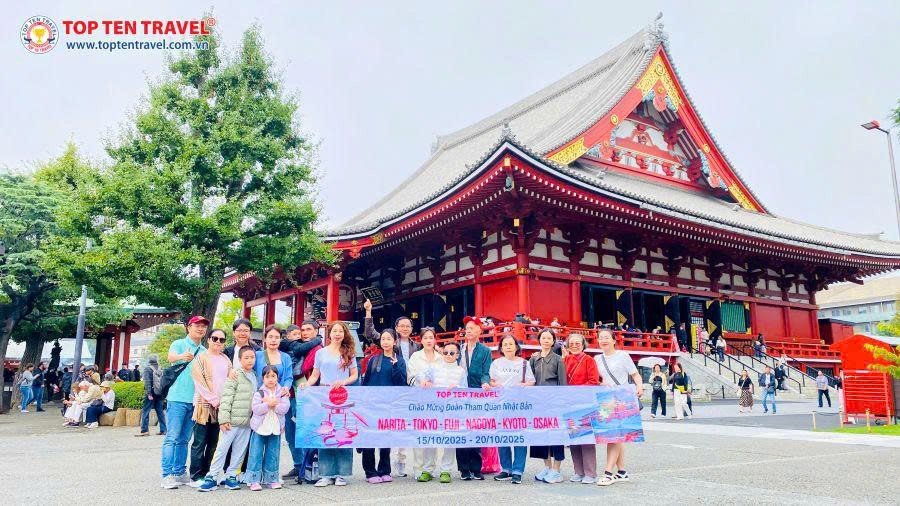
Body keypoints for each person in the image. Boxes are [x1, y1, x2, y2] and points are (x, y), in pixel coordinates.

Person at [303, 321, 359, 487]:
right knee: (326, 433)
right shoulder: (321, 353)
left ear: (344, 334)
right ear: (329, 333)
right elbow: (315, 375)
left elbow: (354, 375)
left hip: (342, 395)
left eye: (340, 331)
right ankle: (326, 474)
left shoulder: (349, 352)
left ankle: (342, 474)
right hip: (324, 395)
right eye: (334, 331)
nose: (337, 334)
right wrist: (307, 385)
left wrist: (343, 382)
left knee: (343, 433)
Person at [199, 346, 258, 492]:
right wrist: (224, 419)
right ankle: (212, 476)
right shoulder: (235, 375)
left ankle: (231, 476)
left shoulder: (255, 376)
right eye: (246, 357)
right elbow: (226, 398)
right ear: (239, 360)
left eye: (252, 357)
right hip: (231, 422)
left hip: (246, 422)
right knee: (221, 449)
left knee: (240, 451)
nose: (250, 360)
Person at [161, 315, 209, 490]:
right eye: (197, 325)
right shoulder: (179, 343)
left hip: (194, 400)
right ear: (189, 327)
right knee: (172, 437)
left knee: (184, 439)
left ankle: (180, 472)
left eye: (203, 326)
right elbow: (170, 357)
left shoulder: (204, 350)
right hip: (177, 398)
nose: (200, 329)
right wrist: (183, 356)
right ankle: (166, 475)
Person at [594, 329, 644, 486]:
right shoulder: (597, 358)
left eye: (607, 337)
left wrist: (639, 386)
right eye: (601, 338)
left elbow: (635, 374)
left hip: (622, 398)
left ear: (614, 340)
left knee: (614, 436)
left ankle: (608, 473)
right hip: (606, 400)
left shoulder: (623, 355)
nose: (604, 340)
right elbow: (596, 379)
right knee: (617, 436)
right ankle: (622, 472)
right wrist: (601, 383)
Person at [414, 339, 465, 483]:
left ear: (457, 355)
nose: (448, 355)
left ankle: (445, 470)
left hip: (452, 410)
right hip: (434, 409)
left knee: (449, 440)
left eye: (452, 353)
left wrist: (457, 388)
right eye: (446, 352)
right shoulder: (434, 367)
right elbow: (419, 376)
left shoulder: (461, 371)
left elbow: (466, 390)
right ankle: (428, 470)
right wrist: (424, 381)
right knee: (431, 438)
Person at [361, 328, 408, 483]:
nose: (385, 342)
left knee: (386, 438)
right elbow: (366, 382)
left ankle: (384, 470)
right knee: (370, 437)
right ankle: (370, 472)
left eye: (389, 339)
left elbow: (401, 384)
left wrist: (395, 367)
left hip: (389, 405)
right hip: (371, 404)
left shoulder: (400, 361)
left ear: (395, 341)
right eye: (383, 339)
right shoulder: (373, 360)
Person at [188, 328, 233, 487]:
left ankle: (209, 474)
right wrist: (214, 400)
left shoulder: (226, 360)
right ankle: (195, 476)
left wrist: (225, 402)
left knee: (215, 443)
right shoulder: (200, 358)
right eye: (215, 338)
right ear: (208, 340)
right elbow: (199, 383)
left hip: (222, 407)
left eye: (222, 340)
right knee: (200, 442)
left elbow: (231, 380)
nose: (218, 342)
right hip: (204, 406)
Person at [279, 319, 323, 484]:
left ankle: (307, 467)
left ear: (316, 331)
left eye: (308, 329)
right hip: (291, 393)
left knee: (304, 432)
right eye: (302, 330)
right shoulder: (294, 345)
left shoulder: (318, 349)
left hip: (308, 395)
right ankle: (298, 465)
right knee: (291, 433)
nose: (304, 333)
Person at [489, 335, 535, 484]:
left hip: (519, 405)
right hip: (501, 403)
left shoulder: (524, 363)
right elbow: (491, 380)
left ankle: (517, 470)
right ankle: (506, 469)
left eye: (511, 344)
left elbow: (531, 381)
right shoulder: (496, 363)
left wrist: (522, 386)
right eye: (505, 344)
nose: (508, 346)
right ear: (501, 348)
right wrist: (495, 385)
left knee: (519, 436)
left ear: (516, 347)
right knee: (502, 435)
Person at [456, 316, 492, 481]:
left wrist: (485, 382)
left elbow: (486, 371)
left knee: (476, 429)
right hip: (461, 394)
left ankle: (476, 468)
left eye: (472, 328)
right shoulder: (459, 349)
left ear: (479, 330)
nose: (468, 331)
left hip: (477, 393)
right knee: (461, 430)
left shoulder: (485, 351)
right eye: (467, 328)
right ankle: (464, 469)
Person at [529, 328, 566, 483]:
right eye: (543, 338)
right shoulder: (533, 359)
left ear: (553, 341)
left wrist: (561, 402)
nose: (546, 340)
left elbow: (562, 383)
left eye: (549, 338)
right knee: (542, 436)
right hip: (538, 403)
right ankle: (547, 467)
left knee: (556, 436)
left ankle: (557, 470)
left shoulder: (558, 360)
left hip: (554, 402)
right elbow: (530, 381)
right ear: (539, 340)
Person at [406, 327, 442, 482]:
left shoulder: (441, 357)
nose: (428, 340)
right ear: (421, 340)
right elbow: (410, 377)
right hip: (419, 400)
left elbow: (445, 376)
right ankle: (419, 468)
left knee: (432, 434)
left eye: (431, 337)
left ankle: (430, 468)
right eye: (425, 338)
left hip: (436, 401)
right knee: (420, 434)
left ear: (435, 340)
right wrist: (421, 382)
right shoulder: (415, 357)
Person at [246, 365, 290, 491]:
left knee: (273, 454)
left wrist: (273, 404)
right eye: (267, 377)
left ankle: (271, 479)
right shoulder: (259, 393)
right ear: (263, 379)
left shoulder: (282, 393)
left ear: (277, 378)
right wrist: (267, 404)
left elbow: (285, 408)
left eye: (273, 376)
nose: (270, 379)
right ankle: (254, 480)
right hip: (260, 428)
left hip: (275, 428)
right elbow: (256, 409)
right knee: (256, 453)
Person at [564, 333, 600, 484]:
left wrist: (575, 391)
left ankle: (590, 473)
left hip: (584, 403)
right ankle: (578, 471)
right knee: (574, 438)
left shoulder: (589, 360)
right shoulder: (565, 360)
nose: (574, 345)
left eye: (577, 343)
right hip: (569, 403)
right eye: (571, 343)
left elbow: (594, 381)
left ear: (583, 344)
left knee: (586, 438)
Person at [137, 354, 167, 437]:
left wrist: (149, 394)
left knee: (146, 411)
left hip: (152, 392)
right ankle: (163, 430)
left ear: (149, 361)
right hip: (160, 392)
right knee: (160, 411)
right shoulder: (160, 368)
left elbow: (147, 382)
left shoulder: (148, 369)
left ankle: (144, 431)